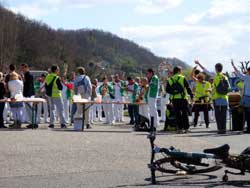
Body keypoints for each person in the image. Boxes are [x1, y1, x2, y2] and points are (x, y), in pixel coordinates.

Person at [166, 66, 193, 133]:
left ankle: (179, 129)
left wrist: (174, 92)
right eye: (181, 71)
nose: (181, 72)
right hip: (183, 98)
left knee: (177, 114)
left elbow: (167, 90)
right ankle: (186, 128)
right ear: (178, 71)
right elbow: (188, 87)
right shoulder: (182, 78)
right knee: (184, 113)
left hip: (174, 99)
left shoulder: (170, 79)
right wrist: (191, 96)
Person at [231, 61, 250, 133]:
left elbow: (239, 74)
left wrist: (233, 65)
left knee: (247, 113)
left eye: (247, 71)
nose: (246, 72)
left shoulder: (247, 78)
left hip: (247, 97)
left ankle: (248, 128)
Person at [212, 63, 230, 134]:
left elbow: (214, 87)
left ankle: (219, 129)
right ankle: (224, 129)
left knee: (217, 114)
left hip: (216, 97)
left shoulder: (216, 76)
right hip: (224, 97)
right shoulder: (225, 77)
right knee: (223, 114)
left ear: (216, 68)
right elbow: (229, 88)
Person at [20, 63, 35, 128]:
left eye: (23, 68)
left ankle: (33, 123)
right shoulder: (26, 74)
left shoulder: (28, 74)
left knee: (29, 109)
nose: (22, 69)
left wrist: (28, 95)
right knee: (28, 109)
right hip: (28, 94)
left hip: (28, 94)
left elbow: (29, 85)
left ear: (26, 68)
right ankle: (32, 122)